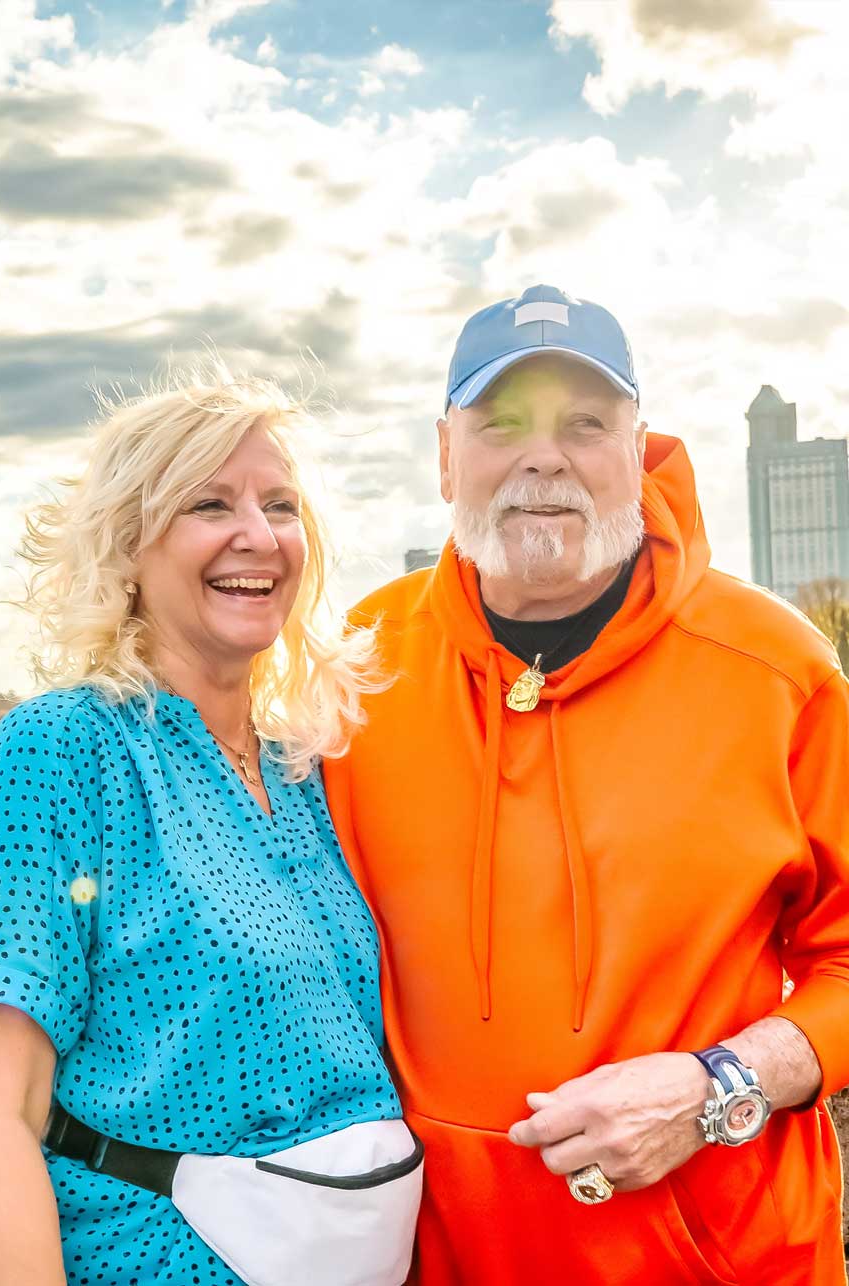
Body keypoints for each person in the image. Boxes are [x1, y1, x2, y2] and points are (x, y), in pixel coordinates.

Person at [324, 284, 849, 1285]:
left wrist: (717, 1083)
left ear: (638, 445)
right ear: (444, 455)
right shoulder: (350, 668)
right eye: (500, 424)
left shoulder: (780, 672)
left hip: (720, 1258)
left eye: (585, 423)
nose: (542, 456)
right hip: (429, 1259)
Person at [0, 369, 422, 1286]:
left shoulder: (305, 769)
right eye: (208, 503)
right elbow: (2, 1107)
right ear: (127, 548)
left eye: (280, 505)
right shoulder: (67, 748)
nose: (258, 537)